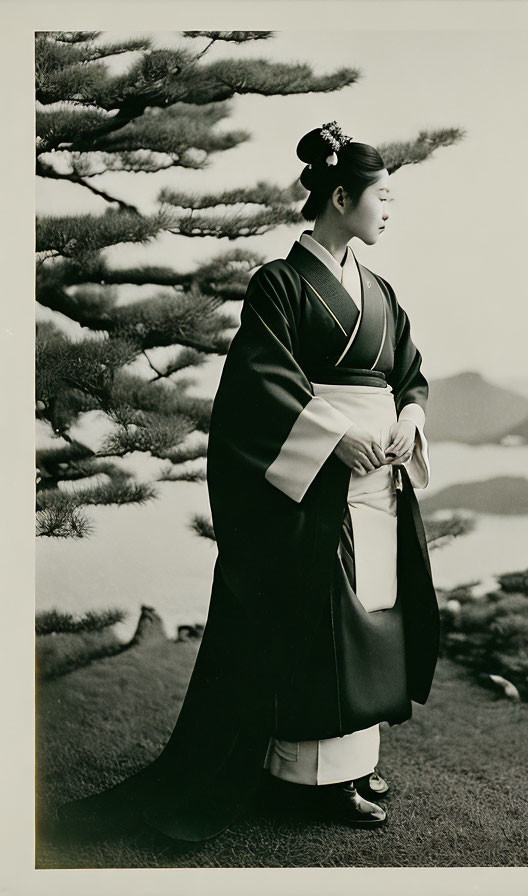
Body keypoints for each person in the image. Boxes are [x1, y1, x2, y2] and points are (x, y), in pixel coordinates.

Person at [57, 121, 439, 843]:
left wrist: (410, 416)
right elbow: (261, 387)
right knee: (321, 621)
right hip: (321, 485)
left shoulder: (382, 291)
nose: (389, 209)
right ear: (338, 197)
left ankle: (354, 764)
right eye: (381, 196)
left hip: (377, 478)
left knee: (372, 617)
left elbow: (410, 372)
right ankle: (307, 779)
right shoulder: (281, 284)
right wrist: (334, 438)